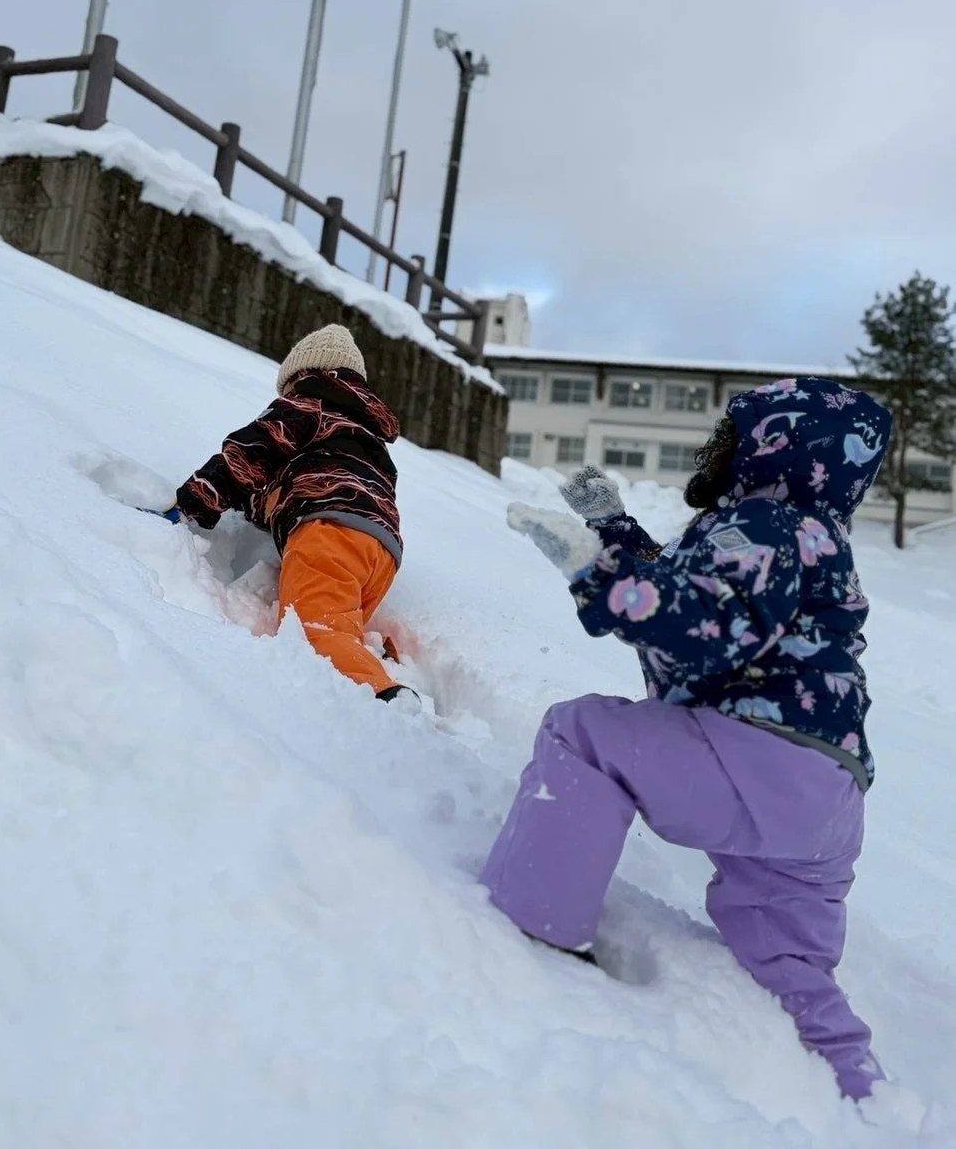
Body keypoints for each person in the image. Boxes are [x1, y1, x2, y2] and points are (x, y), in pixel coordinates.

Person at [486, 377, 892, 1101]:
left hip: (761, 759)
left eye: (730, 436)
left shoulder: (764, 523)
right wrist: (612, 530)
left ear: (777, 447)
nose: (716, 449)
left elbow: (702, 625)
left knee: (583, 732)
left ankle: (532, 932)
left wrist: (601, 577)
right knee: (786, 957)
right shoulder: (805, 533)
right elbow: (697, 590)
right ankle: (864, 1098)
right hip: (828, 795)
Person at [163, 323, 413, 701]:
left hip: (330, 532)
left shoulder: (307, 404)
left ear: (302, 376)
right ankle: (372, 660)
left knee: (316, 630)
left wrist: (194, 503)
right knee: (337, 620)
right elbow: (288, 485)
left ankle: (385, 698)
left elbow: (249, 454)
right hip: (381, 552)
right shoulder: (364, 436)